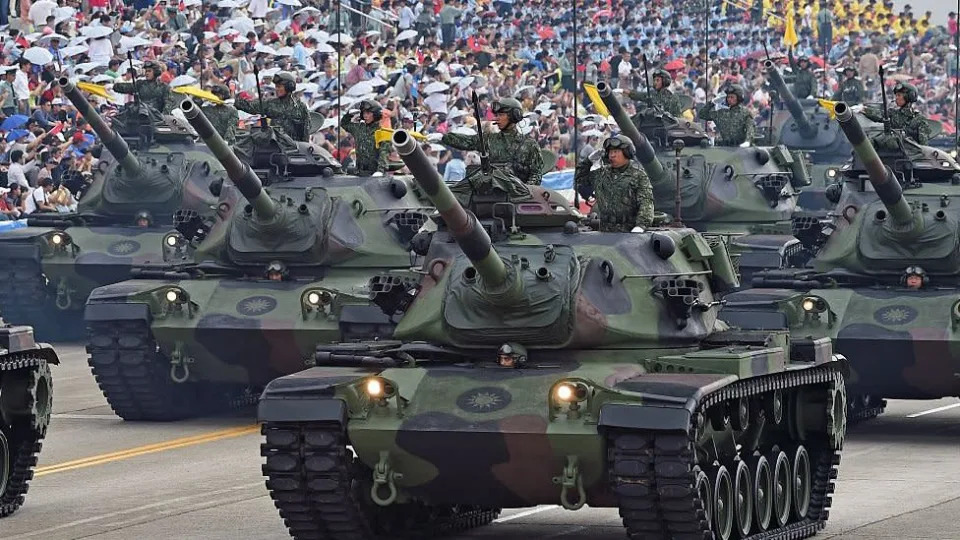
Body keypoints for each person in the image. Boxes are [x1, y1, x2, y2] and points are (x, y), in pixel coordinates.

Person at [434, 97, 544, 185]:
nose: (497, 118)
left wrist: (525, 191)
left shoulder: (530, 145)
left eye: (501, 115)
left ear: (514, 116)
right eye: (496, 115)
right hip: (490, 194)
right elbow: (468, 141)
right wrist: (442, 137)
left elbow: (536, 174)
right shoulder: (489, 139)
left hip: (518, 197)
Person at [574, 134, 654, 232]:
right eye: (610, 152)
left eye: (616, 151)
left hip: (628, 232)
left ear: (627, 153)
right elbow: (580, 180)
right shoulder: (602, 173)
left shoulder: (638, 175)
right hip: (604, 232)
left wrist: (640, 226)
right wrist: (588, 162)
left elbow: (646, 203)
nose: (612, 155)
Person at [235, 72, 310, 141]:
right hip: (275, 146)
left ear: (289, 87)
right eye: (276, 86)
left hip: (294, 148)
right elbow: (250, 106)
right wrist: (233, 101)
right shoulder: (271, 103)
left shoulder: (300, 107)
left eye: (279, 87)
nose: (276, 89)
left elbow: (305, 132)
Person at [857, 82, 931, 145]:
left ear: (909, 97)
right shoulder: (893, 113)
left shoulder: (919, 119)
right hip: (893, 153)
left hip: (911, 155)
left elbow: (923, 145)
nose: (896, 98)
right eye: (896, 95)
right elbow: (880, 115)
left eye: (899, 95)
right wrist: (863, 109)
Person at [340, 99, 389, 176]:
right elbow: (344, 124)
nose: (365, 115)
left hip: (375, 173)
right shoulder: (359, 128)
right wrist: (349, 114)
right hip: (359, 172)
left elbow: (384, 152)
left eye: (368, 113)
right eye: (364, 113)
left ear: (375, 114)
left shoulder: (382, 132)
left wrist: (380, 170)